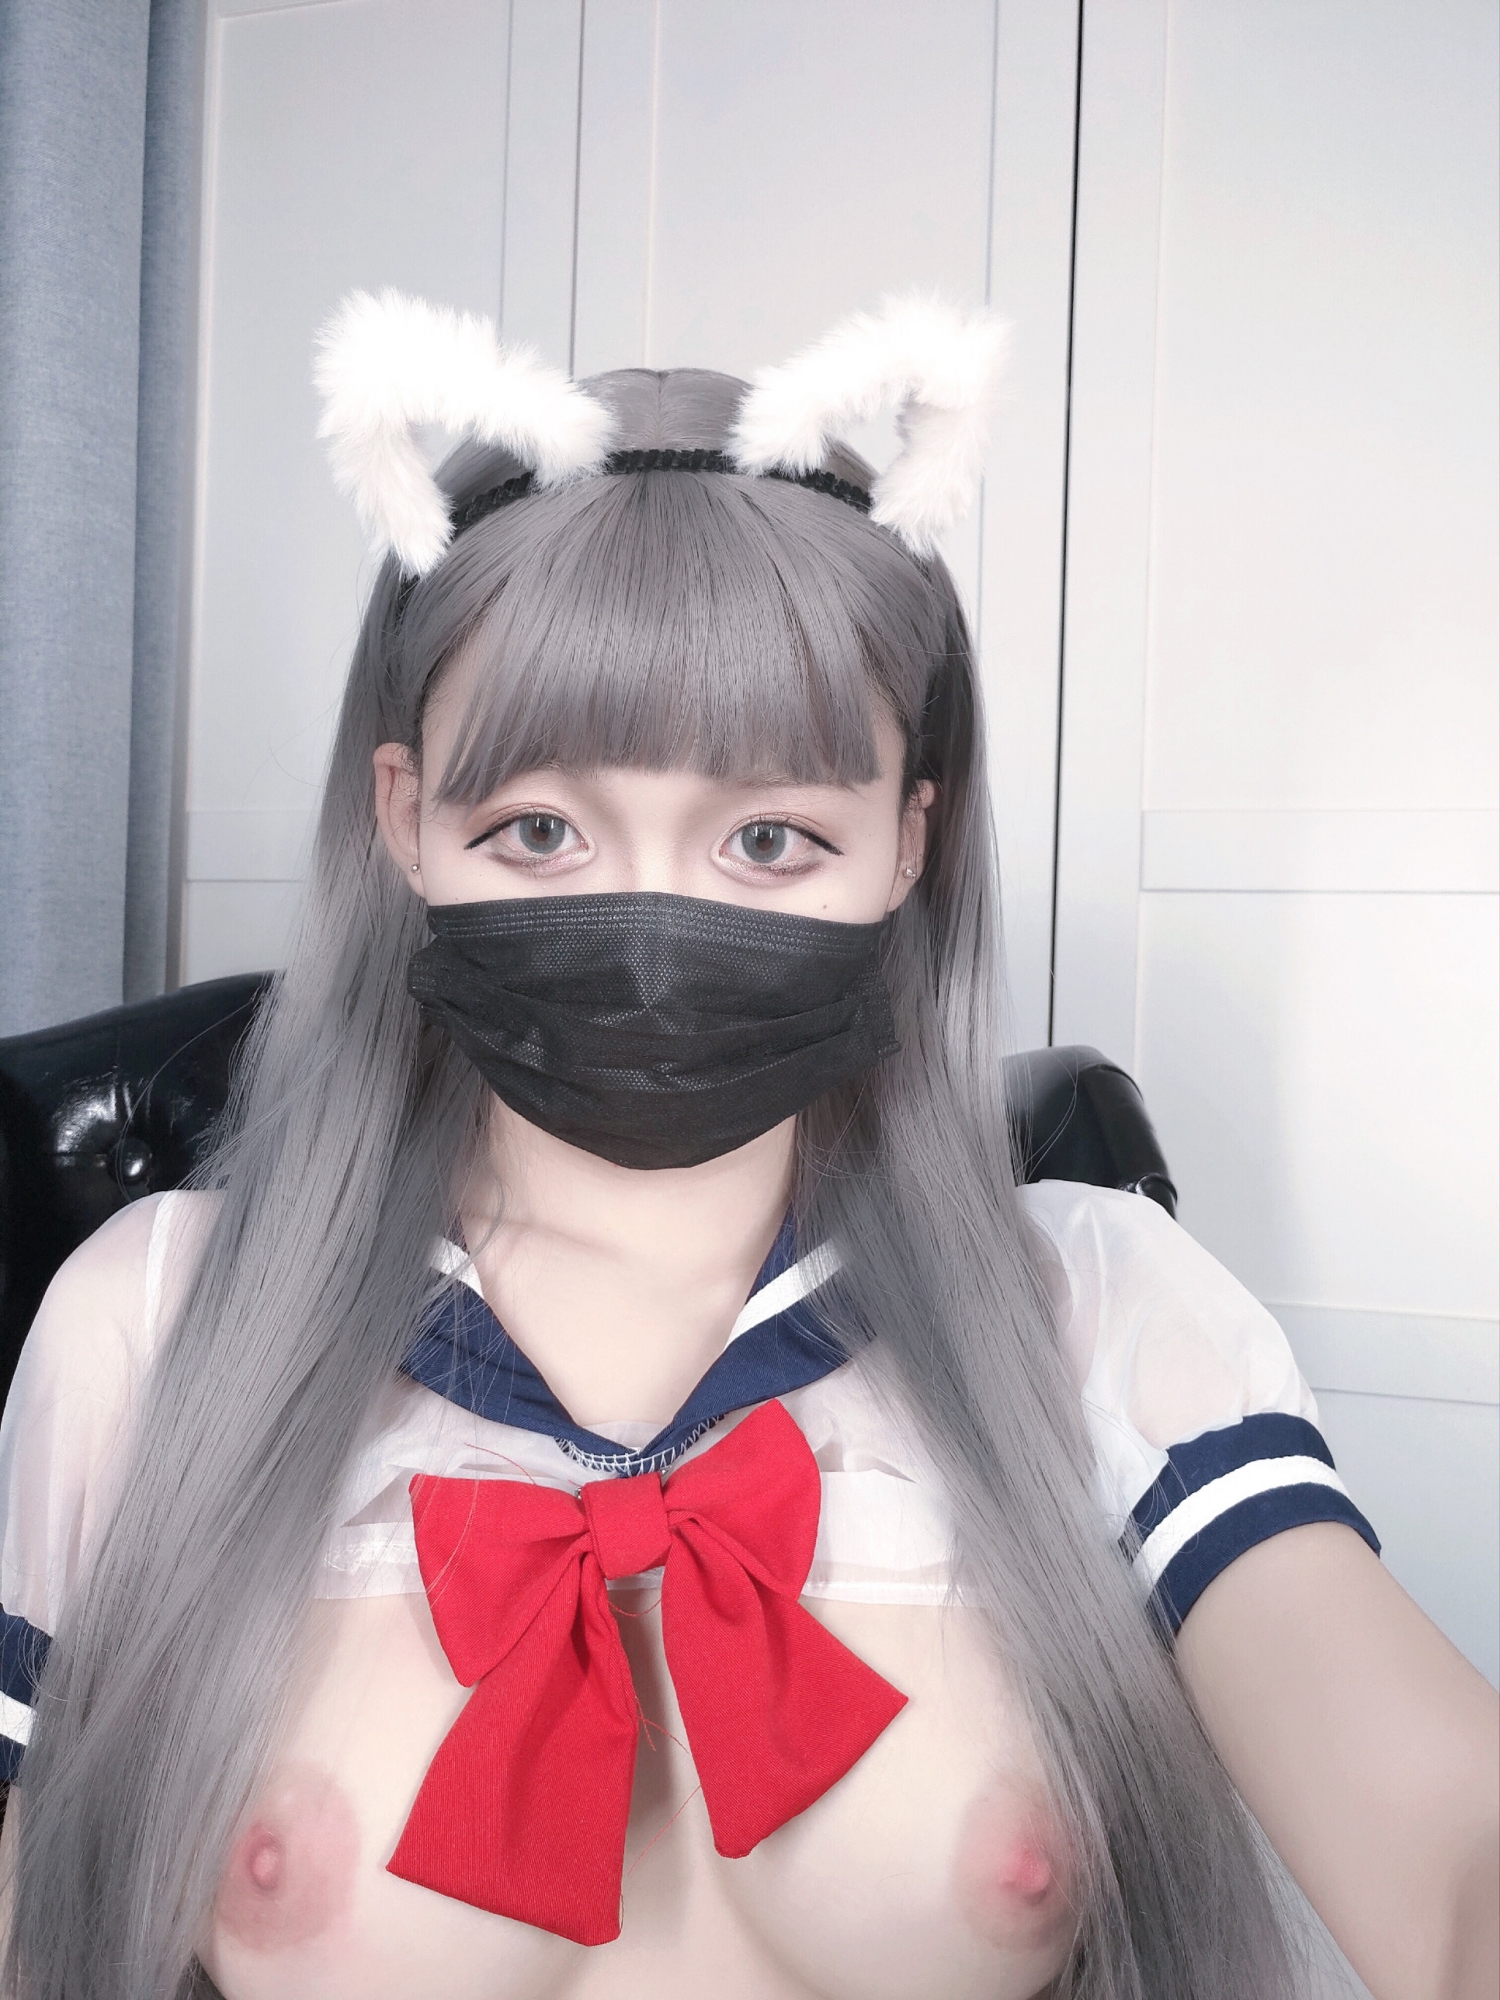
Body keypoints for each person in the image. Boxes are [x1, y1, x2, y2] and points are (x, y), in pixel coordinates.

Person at [0, 293, 1493, 2000]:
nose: (652, 927)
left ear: (910, 842)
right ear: (405, 818)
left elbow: (1451, 1851)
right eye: (539, 829)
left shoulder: (1097, 1313)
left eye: (771, 839)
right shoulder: (156, 1326)